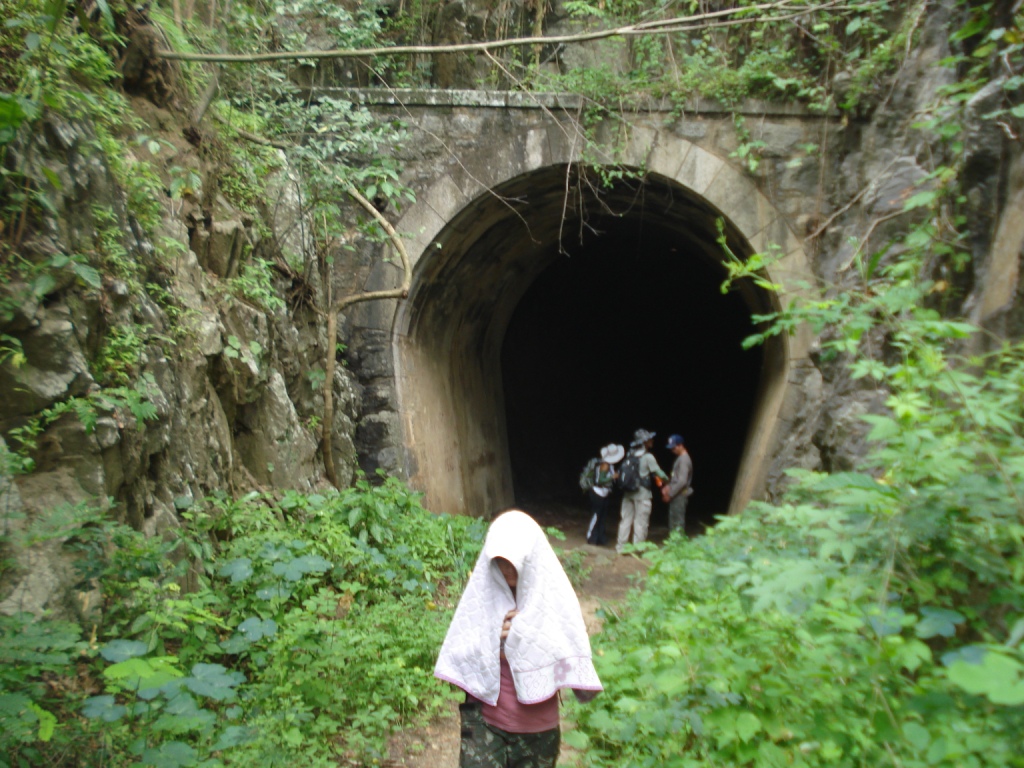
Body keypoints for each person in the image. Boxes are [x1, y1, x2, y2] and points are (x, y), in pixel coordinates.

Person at [435, 510, 602, 768]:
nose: (506, 568)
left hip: (538, 731)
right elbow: (461, 652)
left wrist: (523, 633)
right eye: (500, 561)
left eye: (514, 560)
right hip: (485, 724)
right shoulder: (482, 596)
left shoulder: (555, 599)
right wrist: (491, 636)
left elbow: (567, 649)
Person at [616, 428, 668, 554]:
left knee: (625, 520)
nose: (652, 440)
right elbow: (658, 473)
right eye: (649, 439)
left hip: (628, 494)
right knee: (641, 522)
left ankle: (620, 548)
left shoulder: (630, 455)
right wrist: (667, 480)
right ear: (644, 442)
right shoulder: (648, 456)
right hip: (642, 494)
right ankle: (637, 550)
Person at [586, 443, 624, 546]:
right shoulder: (605, 465)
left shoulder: (609, 465)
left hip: (604, 493)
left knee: (602, 516)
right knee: (597, 515)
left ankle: (600, 538)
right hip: (598, 493)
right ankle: (591, 537)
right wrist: (613, 477)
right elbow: (600, 480)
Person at [661, 434, 693, 535]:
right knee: (673, 521)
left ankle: (678, 546)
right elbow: (676, 478)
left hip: (679, 495)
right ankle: (673, 545)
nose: (672, 450)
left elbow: (682, 481)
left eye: (674, 447)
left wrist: (669, 494)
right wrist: (668, 486)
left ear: (680, 445)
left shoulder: (684, 460)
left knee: (677, 523)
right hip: (676, 494)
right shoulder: (679, 458)